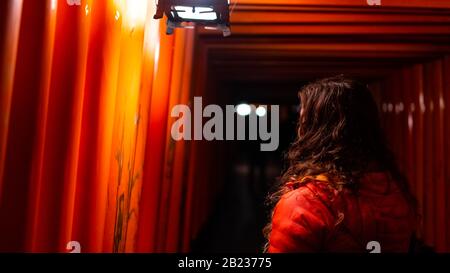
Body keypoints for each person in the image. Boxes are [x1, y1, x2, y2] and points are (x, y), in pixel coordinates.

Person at [265, 76, 418, 253]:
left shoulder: (305, 204)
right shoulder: (394, 192)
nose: (299, 130)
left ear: (316, 132)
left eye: (303, 122)